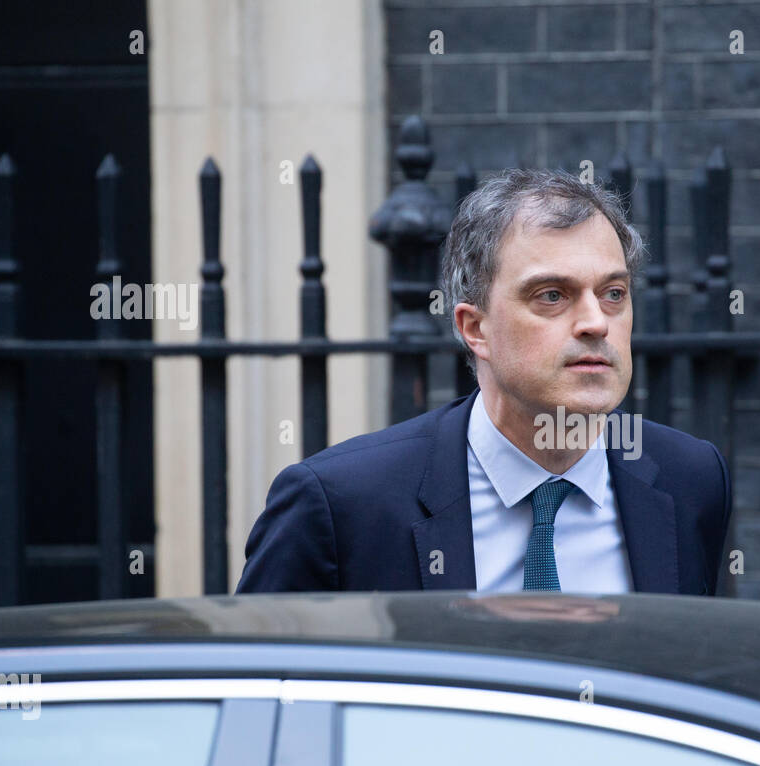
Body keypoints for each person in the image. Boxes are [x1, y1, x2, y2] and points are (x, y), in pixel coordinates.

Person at [236, 168, 730, 596]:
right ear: (476, 329)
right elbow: (257, 687)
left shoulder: (690, 478)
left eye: (613, 293)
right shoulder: (341, 505)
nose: (596, 323)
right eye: (552, 295)